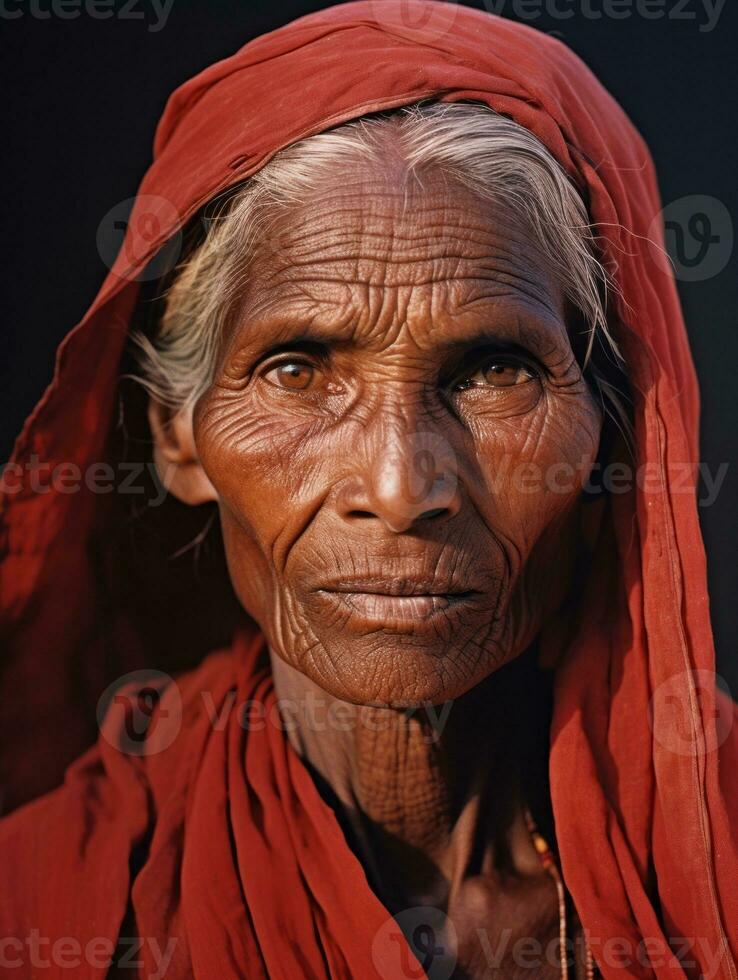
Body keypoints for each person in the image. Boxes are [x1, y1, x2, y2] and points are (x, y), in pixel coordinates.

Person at [1, 3, 736, 978]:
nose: (399, 488)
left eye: (491, 370)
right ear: (178, 435)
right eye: (299, 368)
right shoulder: (54, 905)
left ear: (612, 434)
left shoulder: (712, 858)